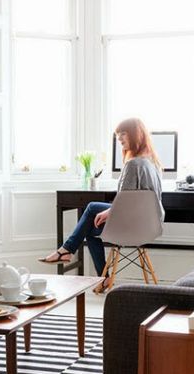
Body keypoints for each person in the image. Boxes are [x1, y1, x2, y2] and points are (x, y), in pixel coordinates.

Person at [40, 118, 164, 290]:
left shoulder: (133, 164)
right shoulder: (152, 163)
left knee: (91, 208)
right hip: (149, 224)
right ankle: (102, 277)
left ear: (135, 135)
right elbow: (136, 201)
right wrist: (111, 211)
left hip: (132, 223)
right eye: (117, 135)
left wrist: (110, 212)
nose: (119, 139)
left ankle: (67, 250)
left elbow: (126, 201)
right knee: (90, 230)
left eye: (123, 134)